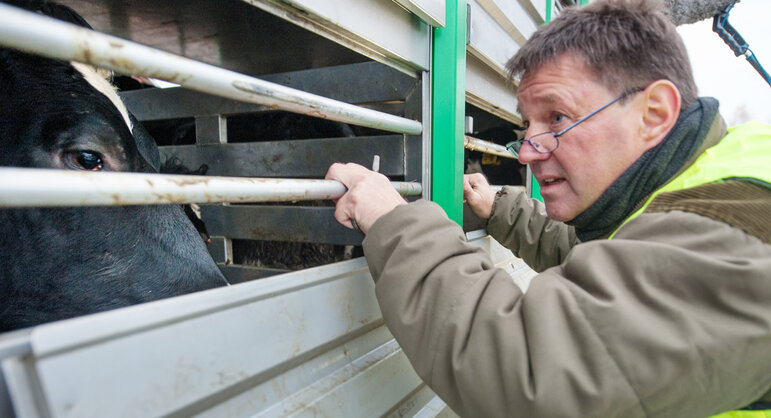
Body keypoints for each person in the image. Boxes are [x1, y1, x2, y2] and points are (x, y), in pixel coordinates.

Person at [324, 0, 771, 416]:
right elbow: (613, 263)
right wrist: (501, 208)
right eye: (526, 125)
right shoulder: (699, 189)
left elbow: (531, 370)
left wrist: (393, 221)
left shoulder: (735, 231)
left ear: (654, 113)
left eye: (557, 117)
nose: (525, 154)